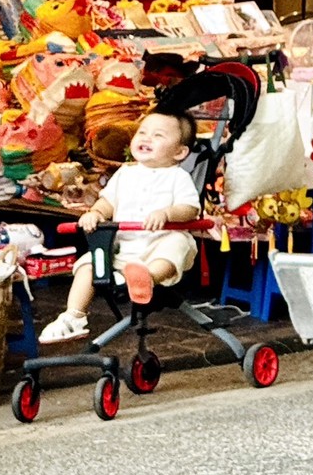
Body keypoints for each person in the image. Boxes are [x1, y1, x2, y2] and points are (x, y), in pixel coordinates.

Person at [40, 113, 201, 343]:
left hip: (158, 243)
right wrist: (96, 212)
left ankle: (148, 278)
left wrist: (167, 213)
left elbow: (190, 208)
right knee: (89, 263)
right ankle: (73, 316)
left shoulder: (177, 177)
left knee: (176, 243)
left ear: (179, 152)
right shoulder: (125, 173)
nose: (147, 138)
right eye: (142, 132)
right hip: (122, 247)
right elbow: (108, 201)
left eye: (158, 135)